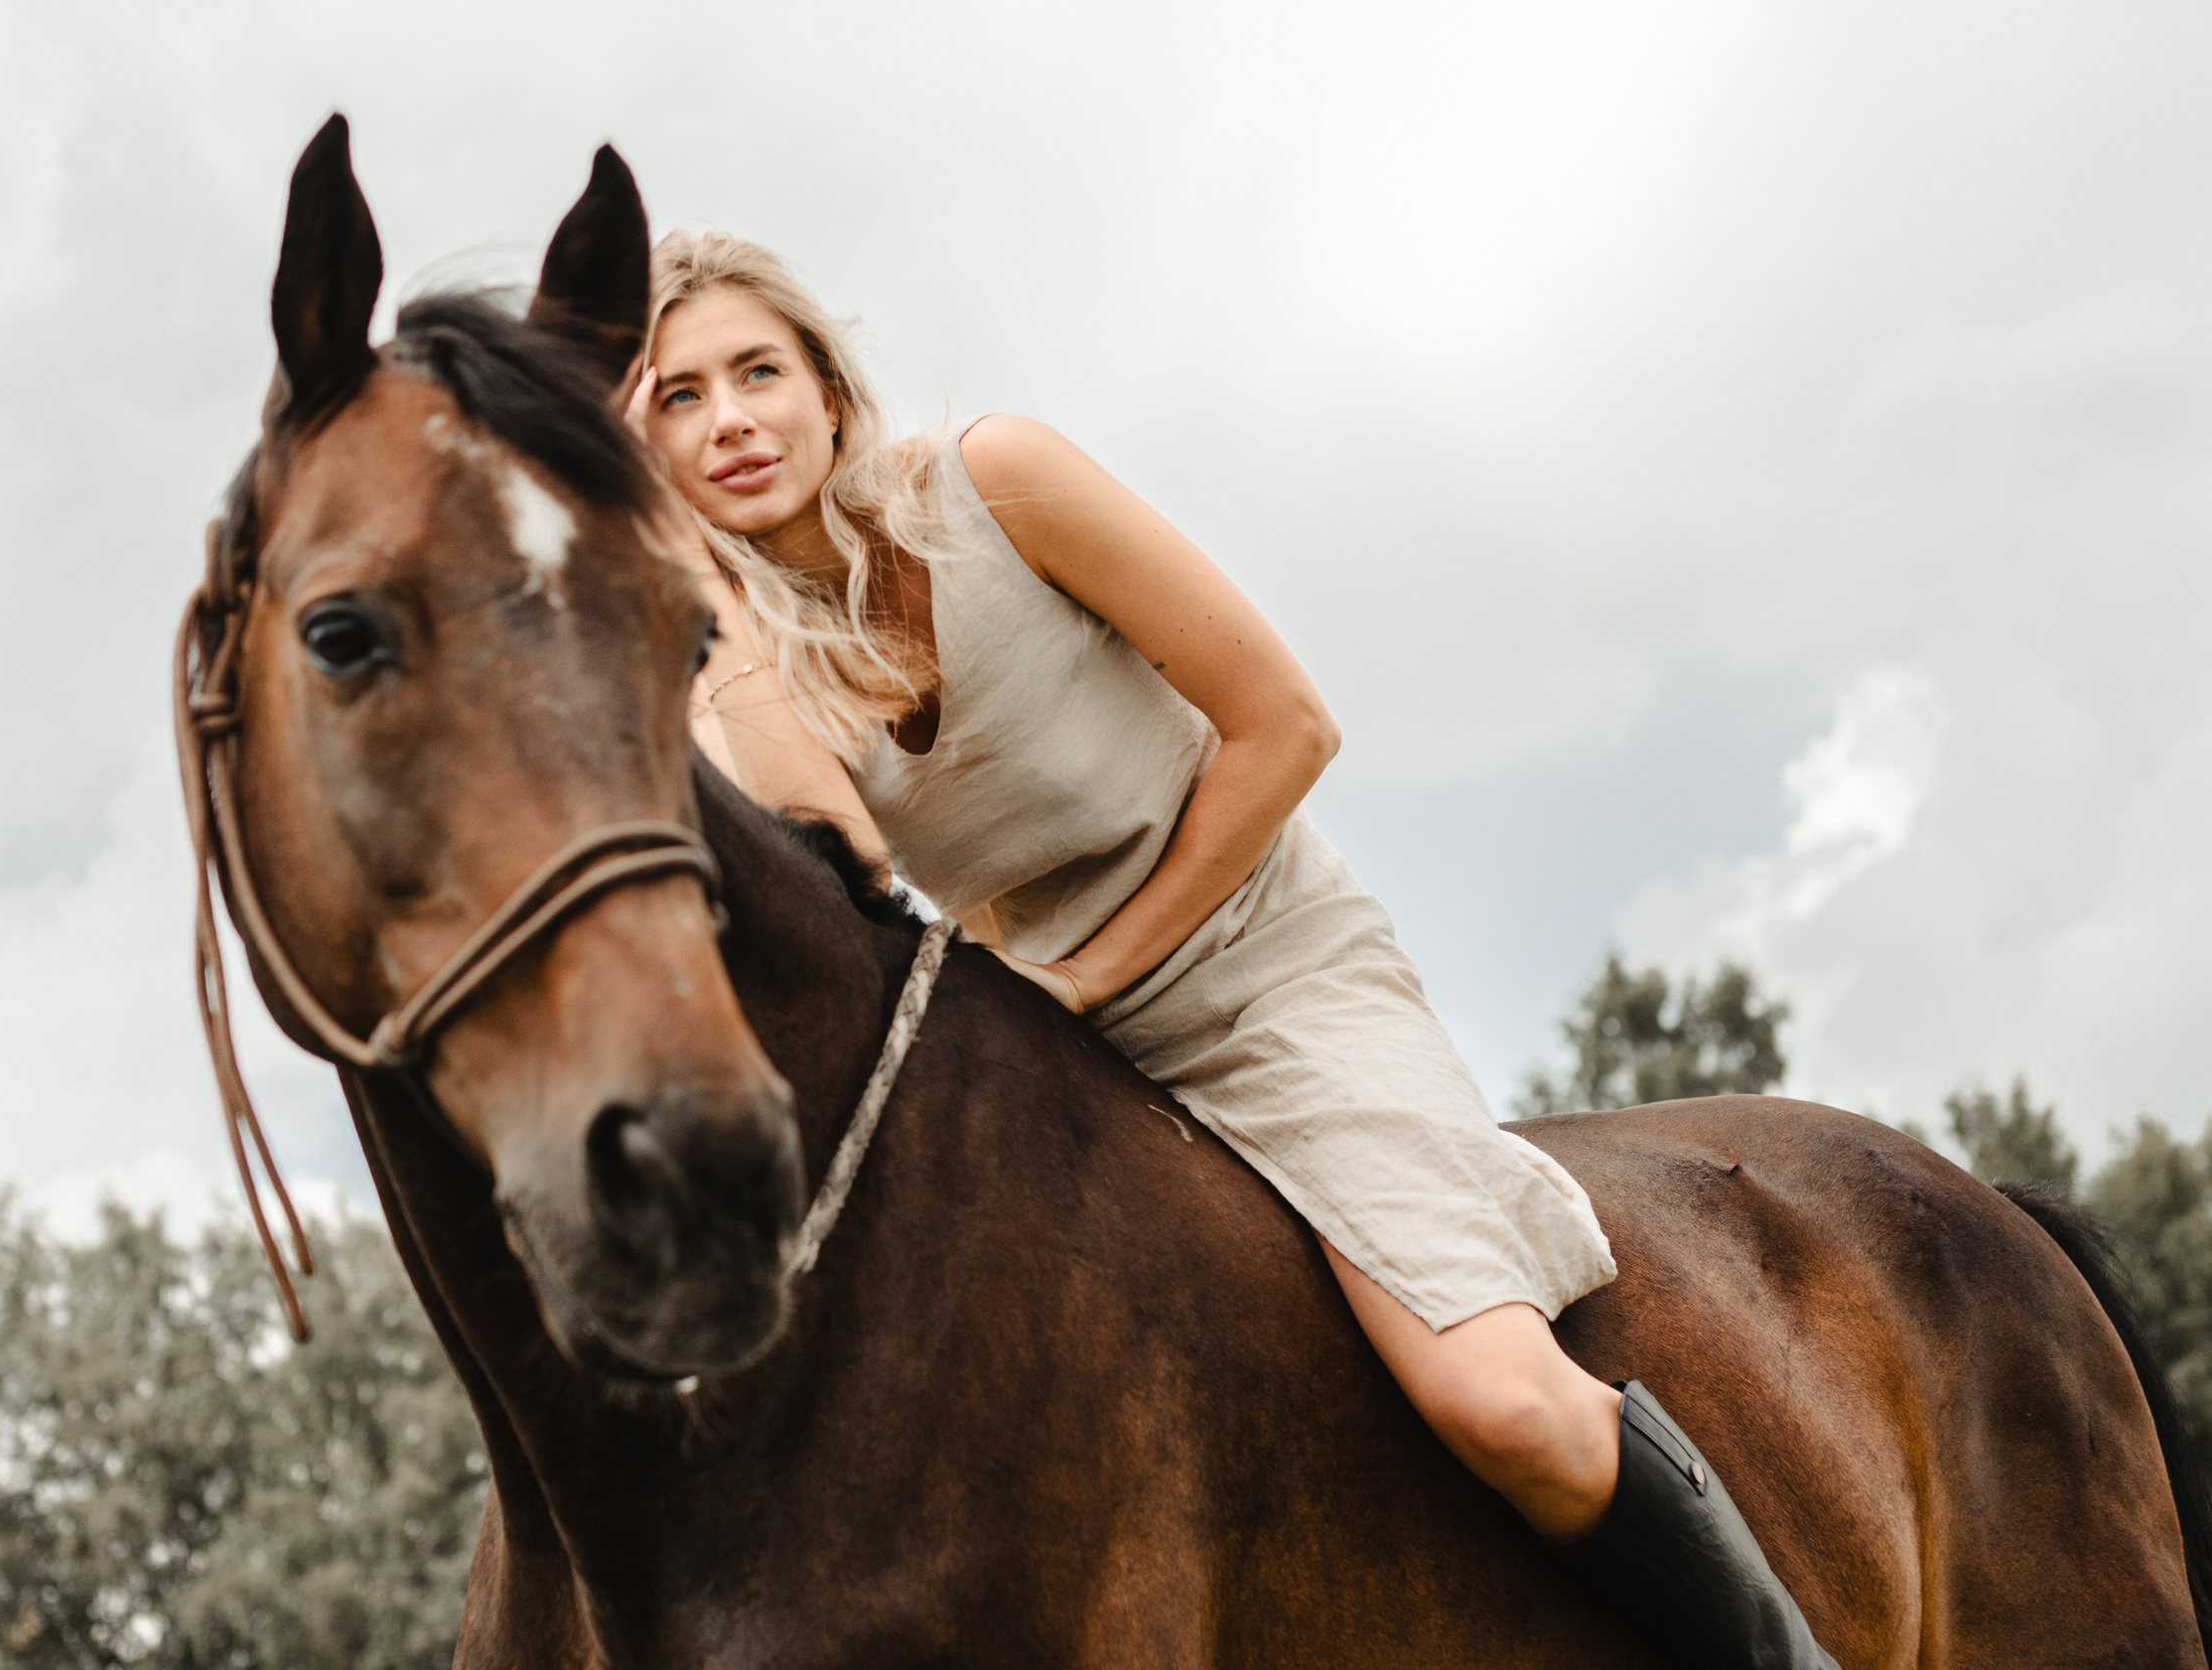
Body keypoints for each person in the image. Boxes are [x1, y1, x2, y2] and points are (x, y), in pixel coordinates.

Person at [623, 230, 1838, 1669]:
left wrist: (1090, 976)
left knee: (1503, 1407)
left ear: (829, 388)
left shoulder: (998, 483)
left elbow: (1287, 728)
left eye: (757, 372)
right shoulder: (722, 663)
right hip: (1039, 1056)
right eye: (677, 402)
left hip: (1264, 969)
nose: (730, 421)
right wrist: (693, 599)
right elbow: (849, 866)